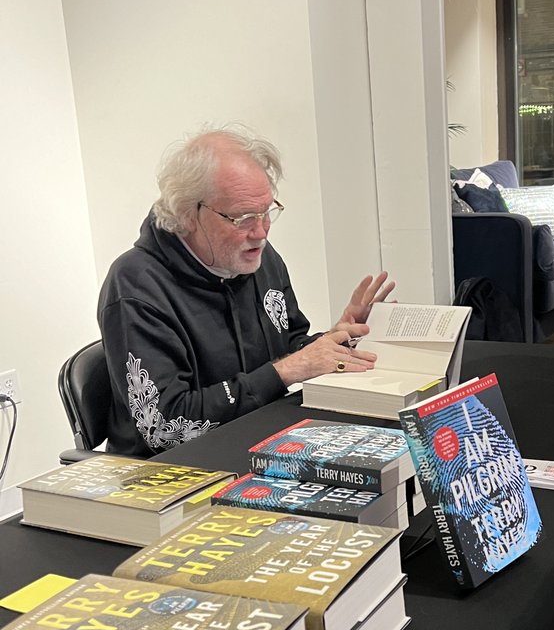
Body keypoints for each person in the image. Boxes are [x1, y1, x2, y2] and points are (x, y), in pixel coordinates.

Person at [99, 126, 394, 457]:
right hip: (174, 471)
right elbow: (165, 427)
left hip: (262, 442)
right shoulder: (137, 287)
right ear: (188, 214)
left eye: (267, 211)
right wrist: (284, 372)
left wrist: (335, 340)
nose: (261, 232)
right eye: (242, 218)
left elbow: (288, 348)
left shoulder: (259, 260)